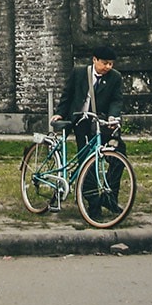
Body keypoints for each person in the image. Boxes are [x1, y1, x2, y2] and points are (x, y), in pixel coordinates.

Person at [55, 45, 126, 214]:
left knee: (119, 153)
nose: (108, 67)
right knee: (86, 160)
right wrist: (60, 114)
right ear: (94, 60)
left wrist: (112, 117)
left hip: (102, 122)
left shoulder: (115, 78)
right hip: (82, 121)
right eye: (105, 63)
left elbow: (117, 100)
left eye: (111, 64)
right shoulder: (79, 73)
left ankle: (109, 196)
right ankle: (93, 203)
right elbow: (68, 94)